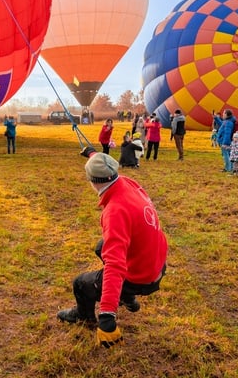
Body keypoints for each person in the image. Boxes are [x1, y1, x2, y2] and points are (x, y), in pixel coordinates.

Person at [57, 148, 168, 349]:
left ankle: (85, 316)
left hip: (143, 276)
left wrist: (107, 315)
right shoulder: (126, 182)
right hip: (158, 262)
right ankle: (127, 297)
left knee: (81, 284)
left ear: (92, 181)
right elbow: (105, 166)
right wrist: (93, 154)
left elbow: (115, 265)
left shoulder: (115, 211)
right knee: (102, 248)